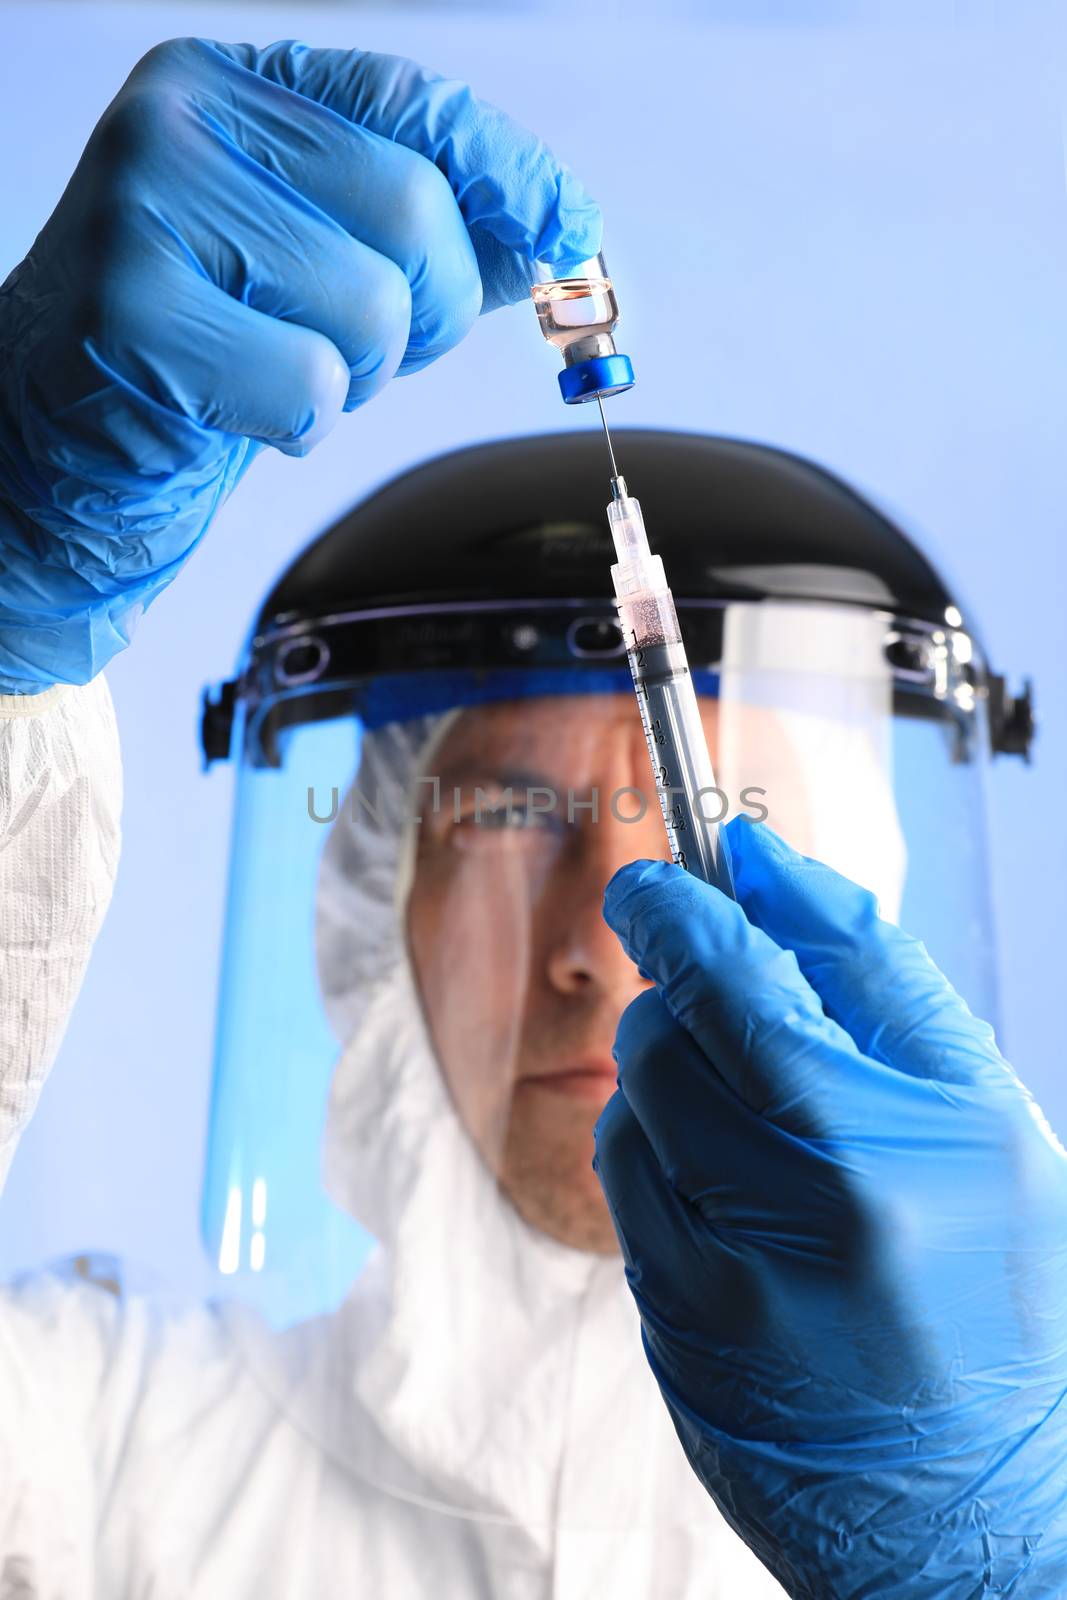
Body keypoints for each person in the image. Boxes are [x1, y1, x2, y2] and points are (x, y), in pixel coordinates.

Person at [0, 37, 1064, 1600]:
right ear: (374, 912)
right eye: (507, 812)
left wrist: (1001, 1563)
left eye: (722, 810)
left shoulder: (1021, 1497)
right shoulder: (86, 1459)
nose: (601, 944)